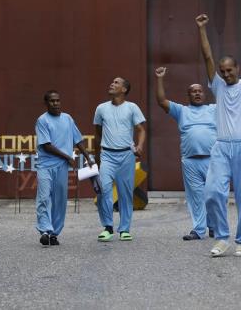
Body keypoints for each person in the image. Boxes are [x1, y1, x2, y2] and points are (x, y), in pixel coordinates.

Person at [196, 13, 241, 257]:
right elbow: (207, 55)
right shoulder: (216, 86)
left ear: (238, 68)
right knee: (213, 192)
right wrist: (202, 28)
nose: (226, 75)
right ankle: (223, 238)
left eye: (229, 70)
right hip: (221, 147)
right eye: (222, 71)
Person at [154, 66, 217, 240]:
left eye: (200, 91)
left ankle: (214, 226)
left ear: (204, 94)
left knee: (213, 194)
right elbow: (161, 101)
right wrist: (159, 78)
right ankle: (198, 229)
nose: (197, 93)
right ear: (188, 96)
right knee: (196, 197)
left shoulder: (213, 109)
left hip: (213, 159)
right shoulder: (182, 111)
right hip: (190, 162)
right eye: (193, 92)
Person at [35, 90, 93, 246]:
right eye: (52, 101)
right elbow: (46, 146)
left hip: (62, 166)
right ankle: (45, 230)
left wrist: (88, 157)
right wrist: (68, 156)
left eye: (58, 100)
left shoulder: (67, 118)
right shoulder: (42, 120)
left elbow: (78, 140)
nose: (56, 103)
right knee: (44, 197)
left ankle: (54, 233)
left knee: (60, 201)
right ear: (46, 103)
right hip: (45, 165)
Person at [93, 77, 146, 242]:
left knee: (125, 193)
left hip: (126, 156)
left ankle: (124, 229)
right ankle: (108, 227)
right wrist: (97, 157)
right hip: (107, 155)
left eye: (116, 83)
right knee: (104, 190)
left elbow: (141, 130)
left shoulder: (132, 107)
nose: (112, 84)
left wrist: (140, 146)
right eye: (112, 82)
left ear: (124, 89)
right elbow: (97, 133)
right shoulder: (101, 108)